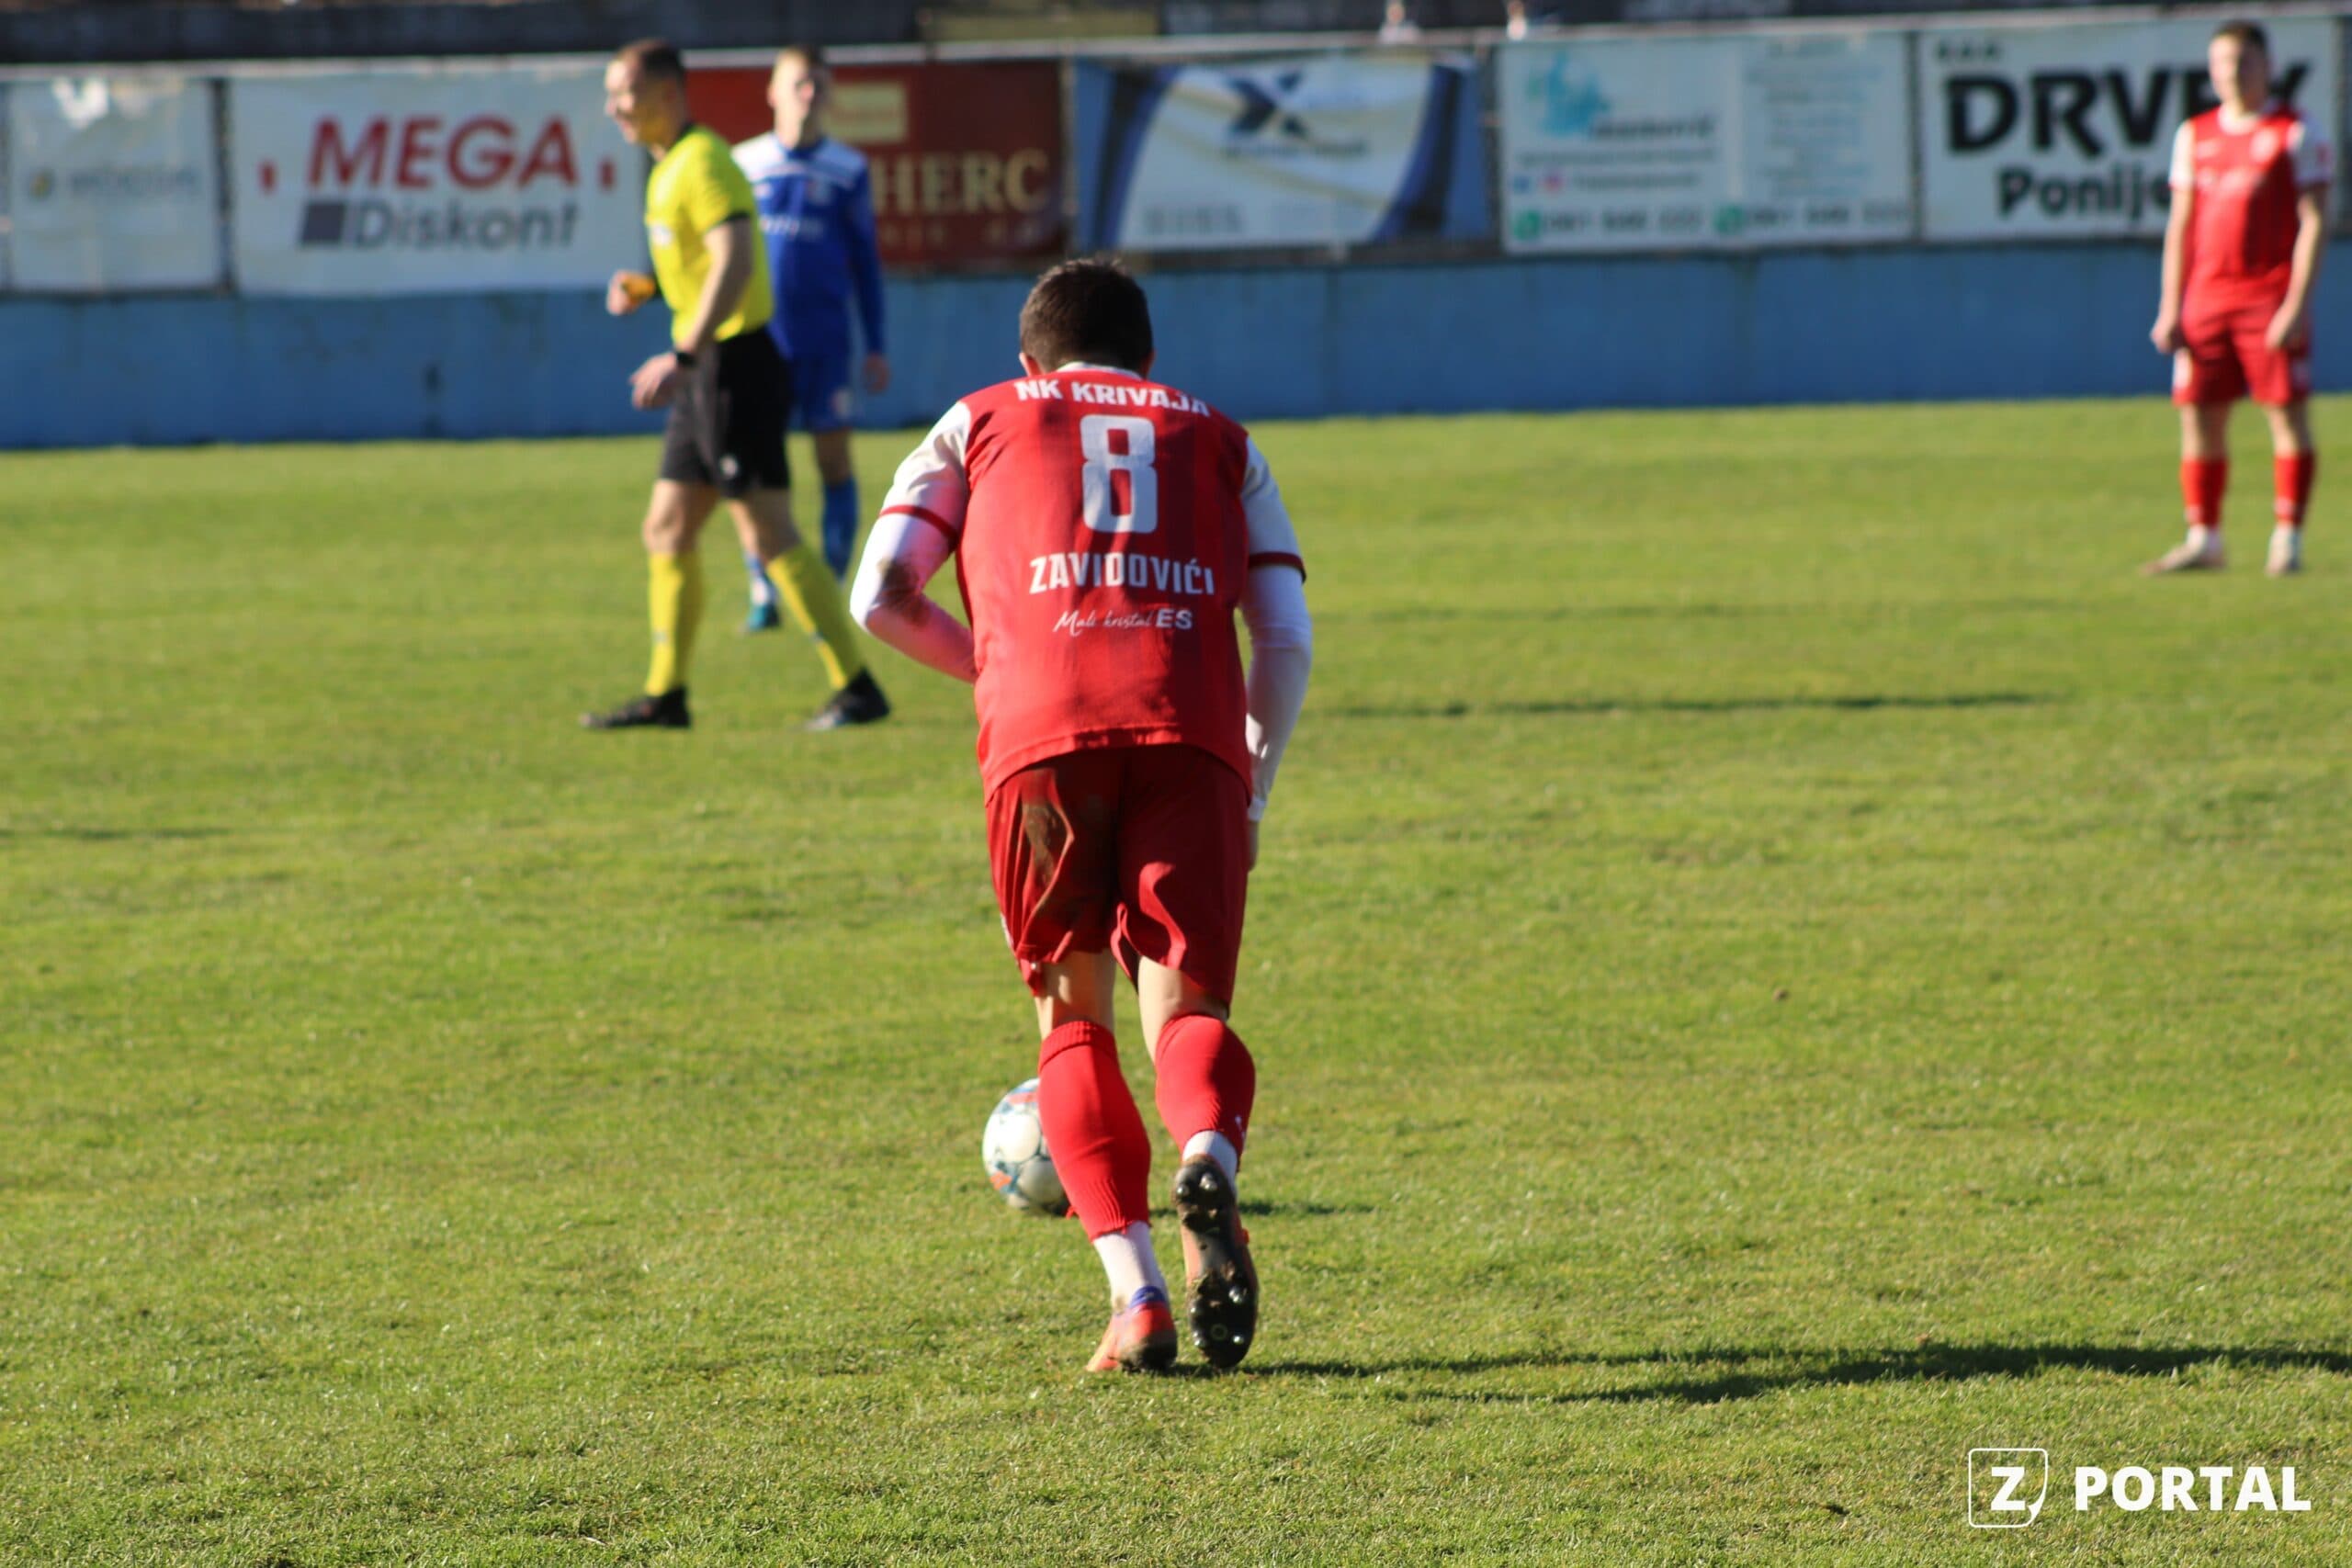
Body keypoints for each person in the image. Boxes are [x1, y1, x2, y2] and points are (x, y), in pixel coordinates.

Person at [851, 260, 1313, 1373]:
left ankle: (1135, 1294)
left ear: (1031, 361)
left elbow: (881, 593)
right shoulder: (1221, 437)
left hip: (1041, 738)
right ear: (1148, 361)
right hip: (1188, 730)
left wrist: (1000, 669)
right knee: (1185, 1003)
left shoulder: (976, 420)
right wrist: (1253, 780)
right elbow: (1285, 635)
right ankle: (1207, 1154)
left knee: (1072, 1016)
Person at [588, 38, 888, 731]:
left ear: (667, 93)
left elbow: (735, 263)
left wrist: (683, 353)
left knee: (769, 532)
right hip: (707, 370)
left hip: (733, 368)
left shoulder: (703, 161)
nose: (614, 108)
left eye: (624, 94)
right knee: (667, 526)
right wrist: (649, 288)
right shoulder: (669, 167)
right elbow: (702, 267)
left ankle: (857, 686)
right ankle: (666, 696)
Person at [2146, 20, 2331, 578]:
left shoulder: (2294, 130)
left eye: (2244, 61)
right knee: (2199, 415)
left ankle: (2287, 538)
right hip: (2206, 297)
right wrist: (2170, 306)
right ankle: (2204, 538)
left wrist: (2296, 304)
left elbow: (2315, 222)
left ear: (2267, 66)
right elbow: (2181, 226)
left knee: (2285, 413)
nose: (2232, 72)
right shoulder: (2195, 134)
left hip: (2267, 296)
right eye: (2222, 62)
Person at [731, 44, 891, 631]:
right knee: (757, 473)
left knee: (833, 461)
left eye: (818, 85)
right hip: (759, 346)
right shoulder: (744, 163)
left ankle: (832, 585)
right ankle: (763, 591)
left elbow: (866, 264)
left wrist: (876, 343)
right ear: (772, 91)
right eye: (798, 83)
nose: (808, 94)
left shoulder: (847, 169)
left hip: (826, 345)